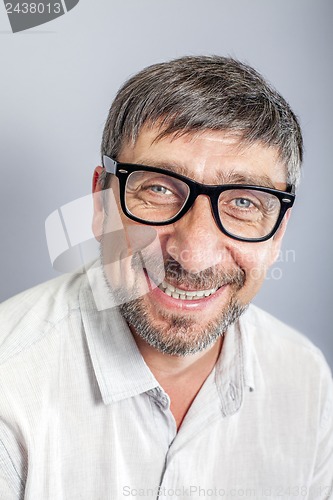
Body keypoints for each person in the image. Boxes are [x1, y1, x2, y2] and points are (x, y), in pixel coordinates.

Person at [0, 56, 332, 500]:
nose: (193, 256)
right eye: (159, 188)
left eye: (244, 203)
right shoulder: (9, 386)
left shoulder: (306, 378)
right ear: (102, 204)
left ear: (278, 234)